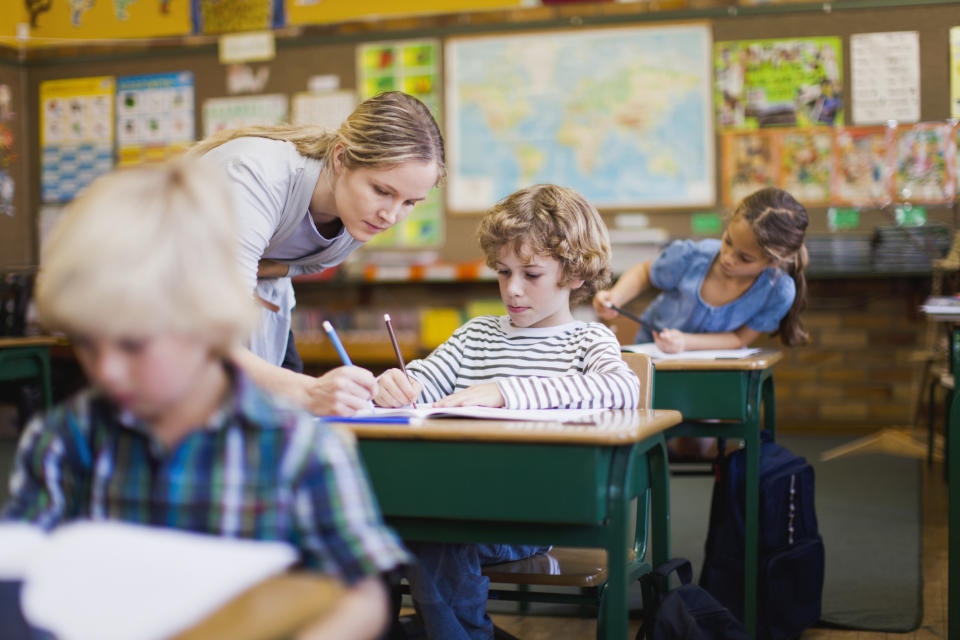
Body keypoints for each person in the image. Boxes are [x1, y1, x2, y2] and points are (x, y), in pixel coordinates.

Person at [1, 158, 410, 640]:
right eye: (88, 343)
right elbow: (23, 569)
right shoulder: (63, 438)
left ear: (211, 326)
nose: (107, 369)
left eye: (134, 344)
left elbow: (362, 598)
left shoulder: (299, 450)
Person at [374, 184, 641, 640]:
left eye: (531, 274)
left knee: (438, 538)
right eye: (503, 272)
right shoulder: (475, 335)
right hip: (451, 500)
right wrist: (394, 384)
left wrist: (504, 391)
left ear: (575, 274)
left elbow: (621, 387)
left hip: (530, 511)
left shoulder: (587, 340)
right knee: (365, 532)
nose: (512, 290)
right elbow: (424, 380)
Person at [190, 91, 445, 417]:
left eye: (410, 202)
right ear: (340, 157)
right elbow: (210, 341)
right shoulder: (253, 177)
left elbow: (276, 269)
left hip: (257, 310)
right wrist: (310, 391)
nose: (391, 216)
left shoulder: (358, 214)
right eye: (382, 191)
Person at [593, 186, 809, 458]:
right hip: (653, 362)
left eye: (745, 258)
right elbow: (646, 272)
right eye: (728, 241)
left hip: (709, 373)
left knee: (694, 449)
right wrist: (616, 296)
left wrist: (686, 343)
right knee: (639, 444)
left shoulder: (778, 290)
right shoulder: (692, 256)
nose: (729, 258)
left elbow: (740, 340)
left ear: (774, 262)